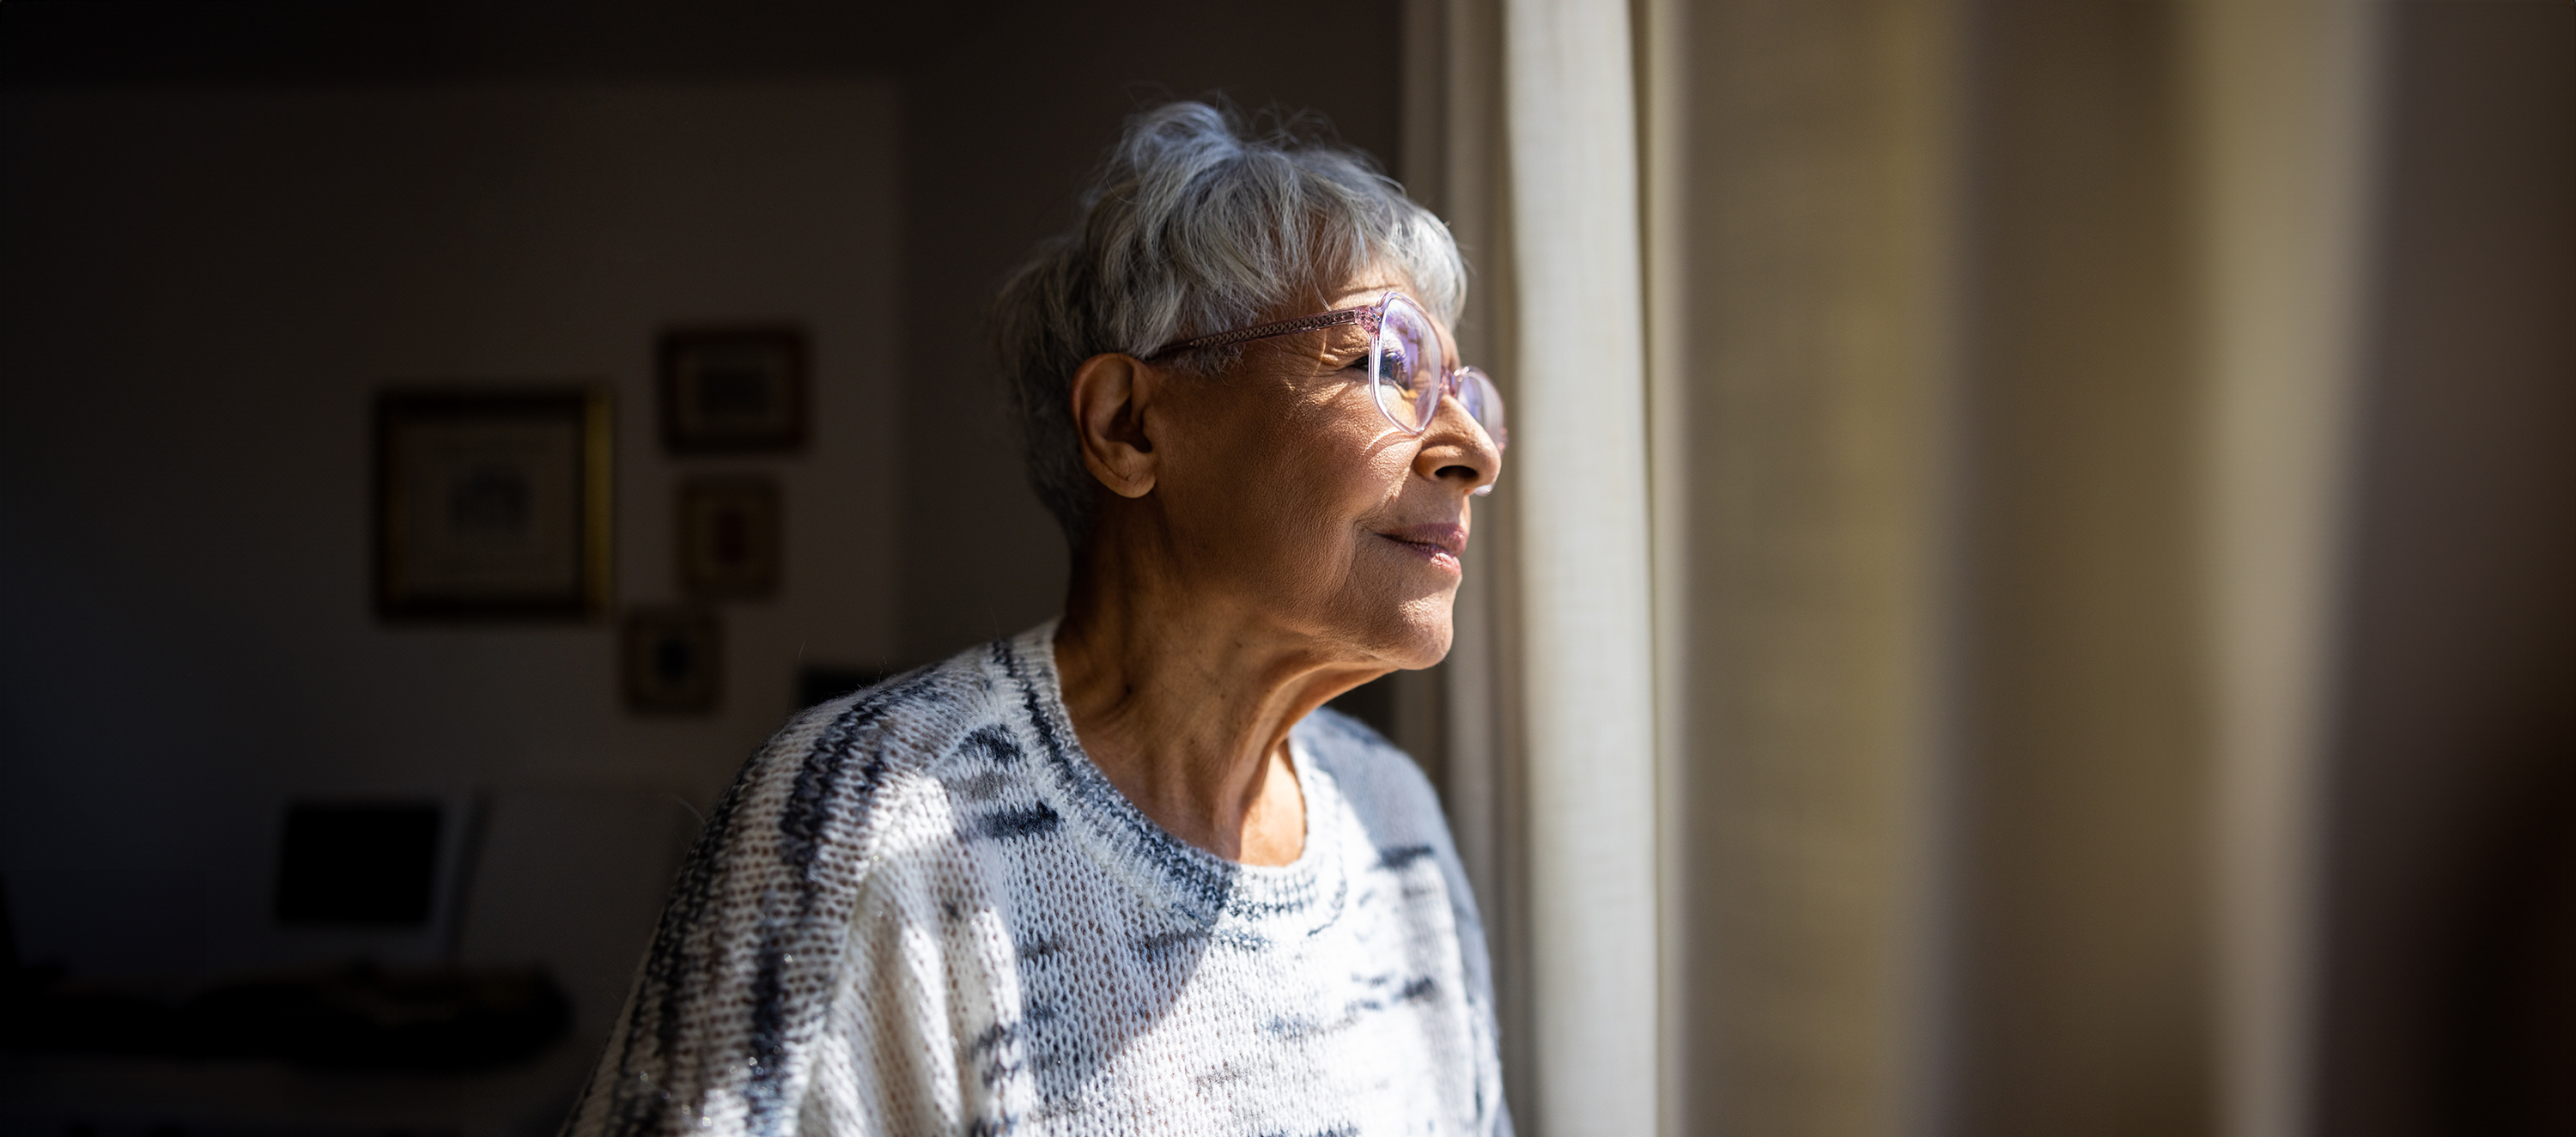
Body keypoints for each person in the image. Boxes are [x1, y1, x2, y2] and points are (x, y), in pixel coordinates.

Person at [563, 101, 1511, 1136]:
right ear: (1129, 426)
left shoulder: (1394, 823)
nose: (1474, 450)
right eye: (1387, 367)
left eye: (1463, 390)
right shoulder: (871, 816)